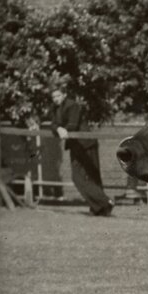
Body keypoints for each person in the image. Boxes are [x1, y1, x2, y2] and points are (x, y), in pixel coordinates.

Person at [49, 86, 113, 216]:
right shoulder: (55, 108)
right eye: (53, 97)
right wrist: (59, 129)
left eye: (58, 96)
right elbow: (53, 124)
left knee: (93, 176)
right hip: (75, 145)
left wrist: (62, 128)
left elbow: (73, 125)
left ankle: (101, 208)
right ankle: (104, 203)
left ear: (64, 94)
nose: (56, 99)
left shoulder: (72, 105)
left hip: (87, 143)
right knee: (77, 178)